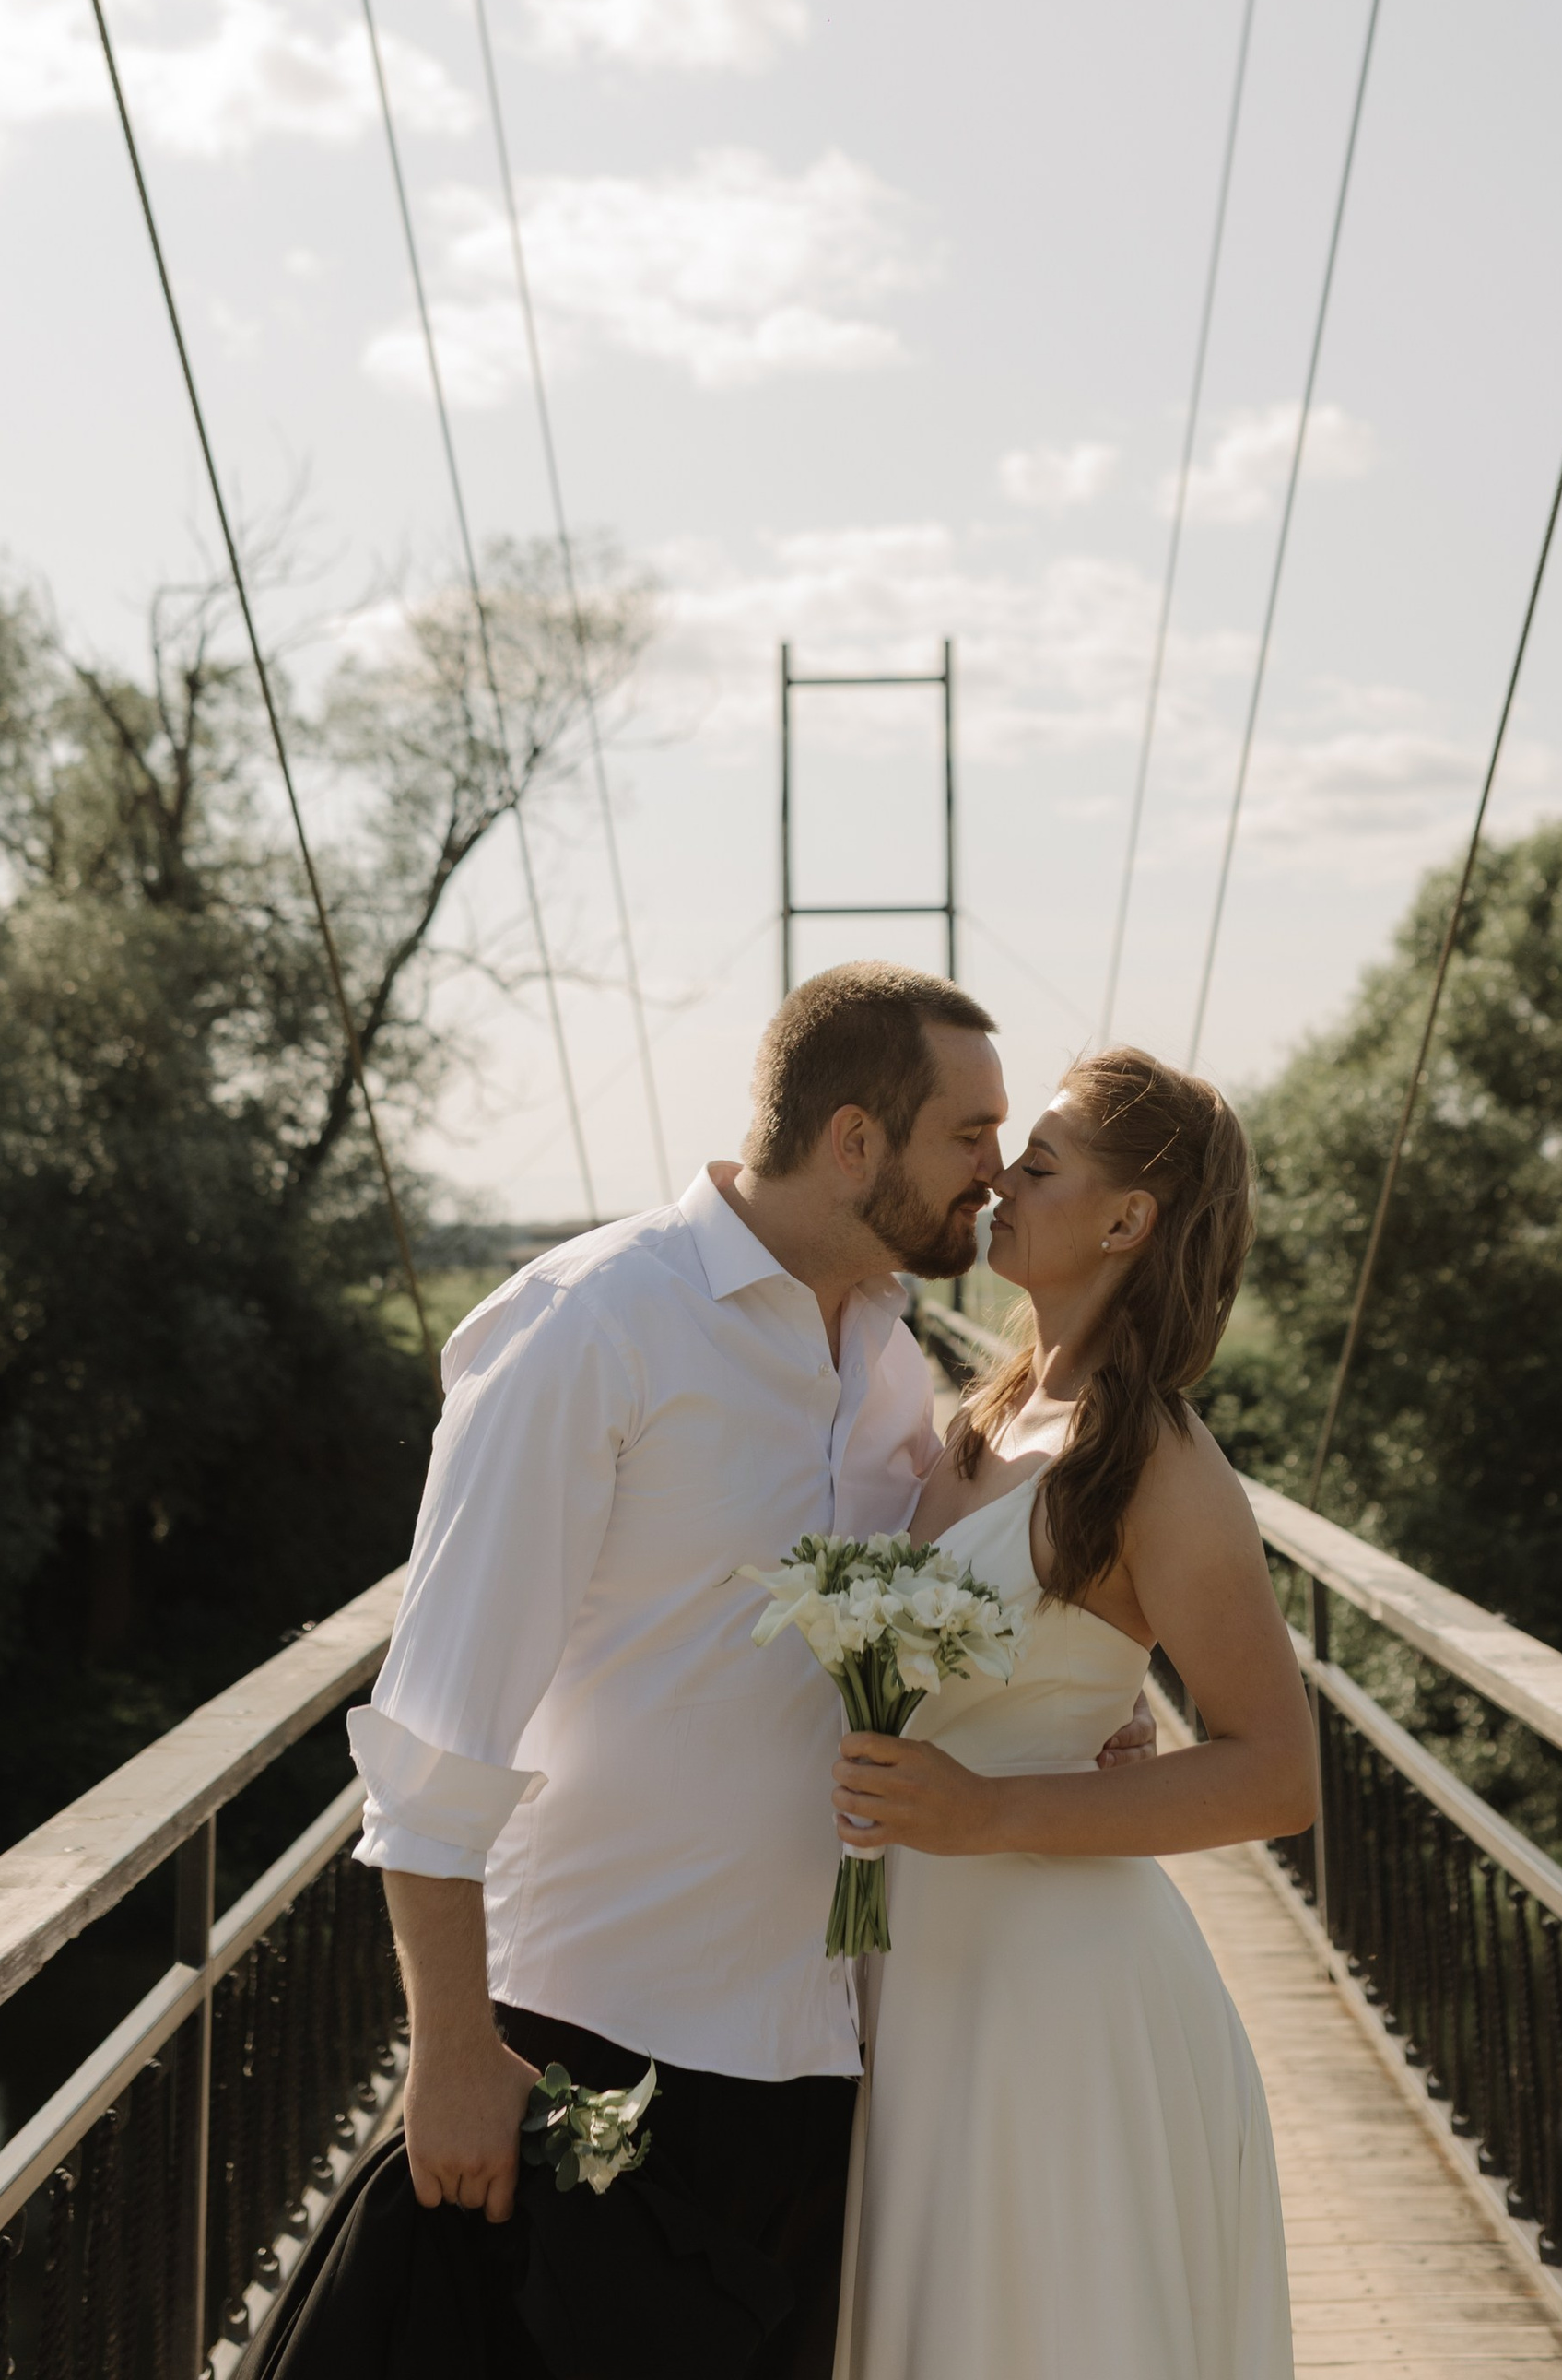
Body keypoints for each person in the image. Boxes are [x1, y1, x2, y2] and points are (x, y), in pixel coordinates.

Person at [275, 962, 1153, 2380]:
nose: (997, 1178)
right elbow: (435, 1728)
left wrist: (1059, 1718)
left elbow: (910, 1633)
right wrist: (449, 2048)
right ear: (855, 1141)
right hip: (594, 2046)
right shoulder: (590, 1326)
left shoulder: (885, 1354)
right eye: (971, 1135)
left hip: (826, 2067)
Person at [830, 1045, 1316, 2380]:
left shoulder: (1157, 1457)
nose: (995, 1182)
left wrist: (994, 1809)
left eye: (1036, 1167)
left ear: (1125, 1220)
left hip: (1058, 2002)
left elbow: (1277, 1772)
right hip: (923, 1977)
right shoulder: (985, 1414)